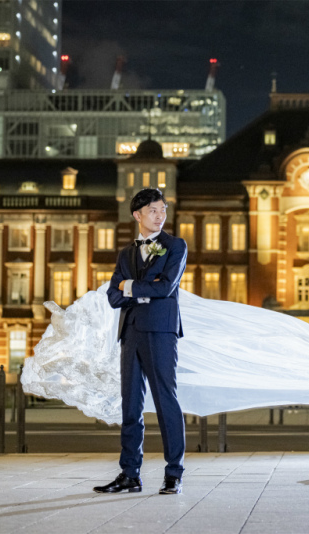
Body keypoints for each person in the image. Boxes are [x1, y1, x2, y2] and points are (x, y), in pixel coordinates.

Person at [93, 188, 188, 496]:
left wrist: (130, 286)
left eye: (163, 210)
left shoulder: (175, 246)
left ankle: (173, 472)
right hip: (130, 331)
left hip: (161, 331)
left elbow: (166, 287)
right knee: (130, 406)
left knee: (165, 401)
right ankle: (129, 473)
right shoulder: (126, 254)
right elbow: (112, 296)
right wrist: (143, 288)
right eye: (153, 211)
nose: (160, 216)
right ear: (137, 215)